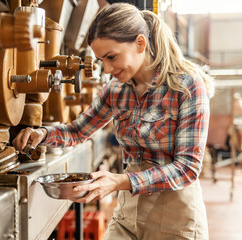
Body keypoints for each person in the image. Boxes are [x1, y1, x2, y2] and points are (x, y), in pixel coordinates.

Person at [13, 3, 214, 239]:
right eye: (101, 60)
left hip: (176, 220)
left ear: (140, 43)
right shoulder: (116, 90)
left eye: (111, 57)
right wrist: (43, 134)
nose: (107, 69)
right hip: (129, 215)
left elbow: (187, 168)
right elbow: (78, 131)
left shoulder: (187, 86)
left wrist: (120, 181)